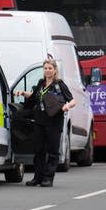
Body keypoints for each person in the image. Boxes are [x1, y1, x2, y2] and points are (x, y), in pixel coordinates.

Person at [15, 58, 75, 187]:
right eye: (46, 68)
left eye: (50, 68)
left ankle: (48, 178)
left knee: (53, 150)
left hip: (54, 122)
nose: (47, 71)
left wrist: (66, 107)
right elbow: (34, 97)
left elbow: (72, 101)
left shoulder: (59, 84)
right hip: (39, 121)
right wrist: (23, 93)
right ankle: (37, 177)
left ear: (54, 70)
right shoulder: (41, 83)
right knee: (39, 150)